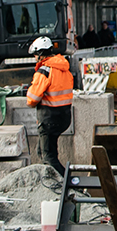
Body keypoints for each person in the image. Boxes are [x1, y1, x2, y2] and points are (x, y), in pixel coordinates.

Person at [23, 37, 73, 175]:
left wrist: (30, 91)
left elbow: (32, 100)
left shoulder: (44, 71)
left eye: (35, 55)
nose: (34, 58)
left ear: (40, 54)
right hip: (64, 117)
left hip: (49, 119)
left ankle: (67, 181)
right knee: (45, 151)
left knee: (48, 157)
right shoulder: (64, 69)